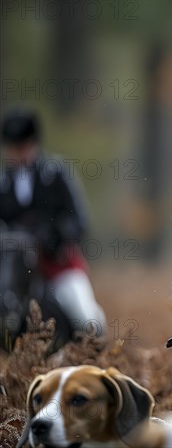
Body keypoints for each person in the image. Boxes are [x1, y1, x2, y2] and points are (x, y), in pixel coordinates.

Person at [0, 108, 106, 336]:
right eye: (13, 148)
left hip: (55, 263)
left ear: (33, 144)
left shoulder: (56, 174)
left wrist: (57, 235)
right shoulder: (3, 183)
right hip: (13, 269)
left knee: (86, 319)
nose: (17, 153)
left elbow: (79, 219)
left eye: (22, 147)